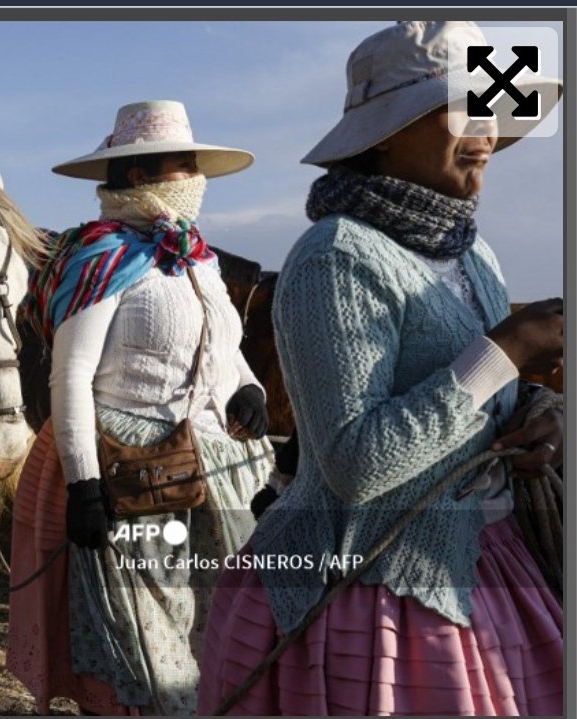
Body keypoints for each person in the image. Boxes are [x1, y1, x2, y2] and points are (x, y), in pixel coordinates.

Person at [197, 21, 564, 715]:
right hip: (367, 595)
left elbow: (488, 407)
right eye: (461, 109)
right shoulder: (335, 257)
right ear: (388, 132)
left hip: (483, 560)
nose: (484, 131)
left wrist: (539, 418)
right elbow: (354, 464)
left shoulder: (471, 255)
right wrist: (506, 350)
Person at [6, 100, 274, 715]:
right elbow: (70, 375)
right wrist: (85, 486)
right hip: (132, 467)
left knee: (226, 623)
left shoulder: (198, 261)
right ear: (138, 174)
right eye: (184, 166)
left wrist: (249, 388)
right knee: (149, 637)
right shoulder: (102, 259)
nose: (195, 180)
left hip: (217, 465)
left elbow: (226, 348)